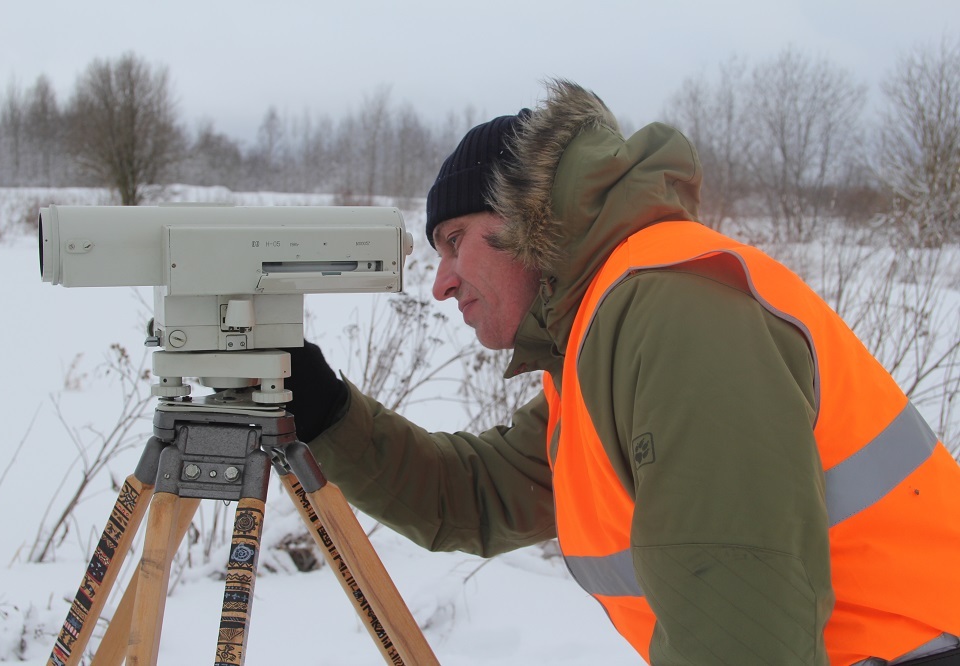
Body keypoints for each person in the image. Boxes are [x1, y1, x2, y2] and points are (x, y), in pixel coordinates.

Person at [284, 79, 960, 665]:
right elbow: (475, 494)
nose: (442, 283)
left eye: (455, 241)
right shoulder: (596, 345)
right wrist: (326, 411)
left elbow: (742, 637)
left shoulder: (673, 316)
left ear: (524, 217)